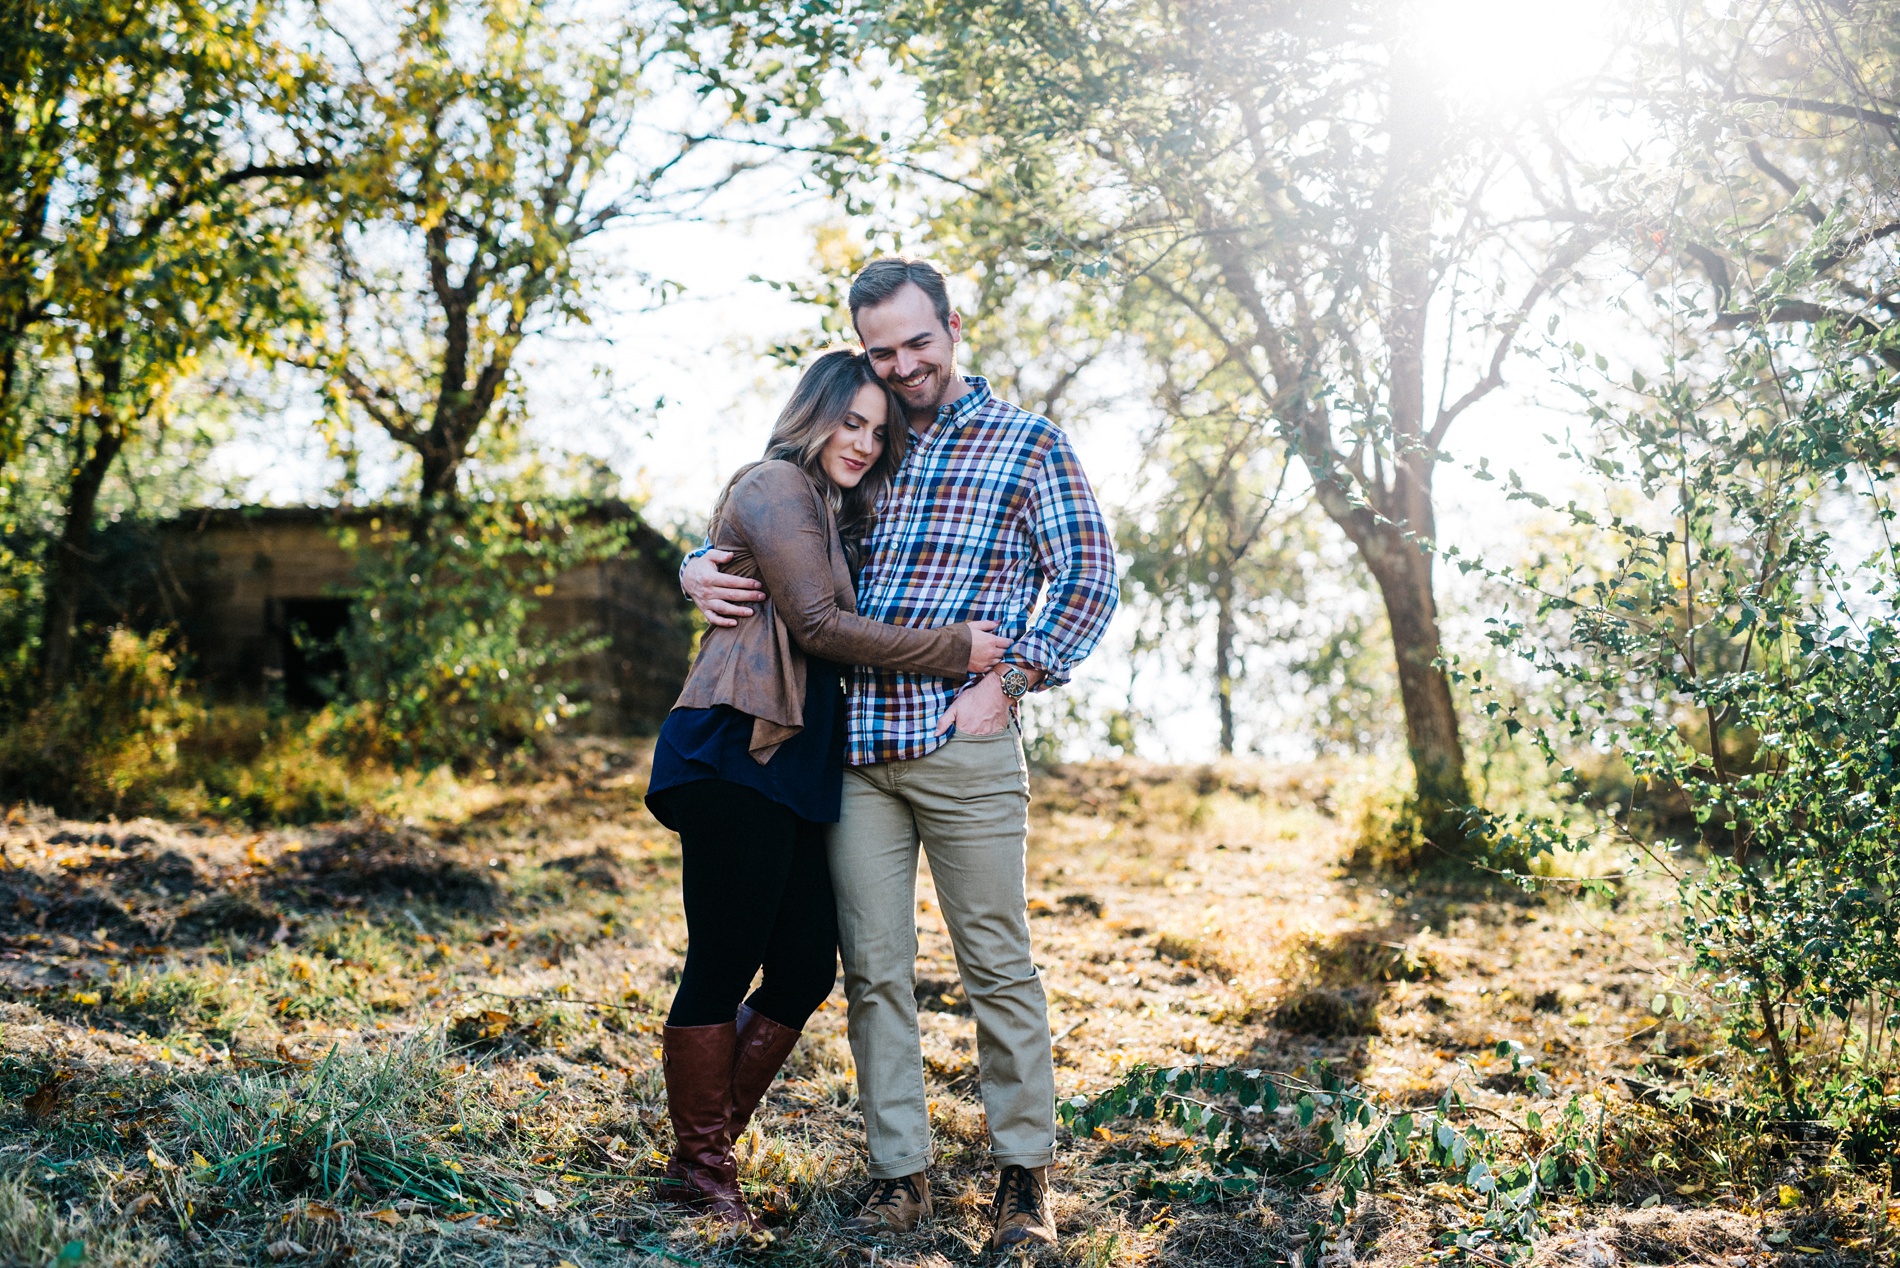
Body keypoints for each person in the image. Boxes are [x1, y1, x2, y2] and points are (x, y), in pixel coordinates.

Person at [682, 258, 1119, 1250]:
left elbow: (1088, 576)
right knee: (876, 970)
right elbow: (768, 528)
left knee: (995, 962)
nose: (903, 364)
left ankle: (1023, 1179)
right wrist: (694, 563)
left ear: (953, 326)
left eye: (918, 342)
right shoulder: (859, 445)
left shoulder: (1028, 443)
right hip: (850, 752)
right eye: (881, 350)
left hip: (961, 740)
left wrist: (1007, 682)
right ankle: (899, 1175)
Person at [645, 349, 1013, 1234]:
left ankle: (703, 1151)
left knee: (808, 963)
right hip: (737, 746)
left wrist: (697, 557)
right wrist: (952, 649)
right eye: (849, 421)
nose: (862, 440)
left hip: (797, 763)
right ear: (813, 412)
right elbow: (813, 623)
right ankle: (703, 1167)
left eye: (877, 431)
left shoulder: (831, 510)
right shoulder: (776, 483)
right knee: (726, 956)